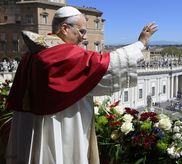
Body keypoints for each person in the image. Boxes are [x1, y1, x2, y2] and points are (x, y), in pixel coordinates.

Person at [5, 6, 158, 164]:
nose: (84, 37)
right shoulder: (61, 54)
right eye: (82, 31)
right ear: (65, 28)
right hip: (59, 123)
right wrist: (141, 43)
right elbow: (106, 65)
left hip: (31, 125)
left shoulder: (33, 52)